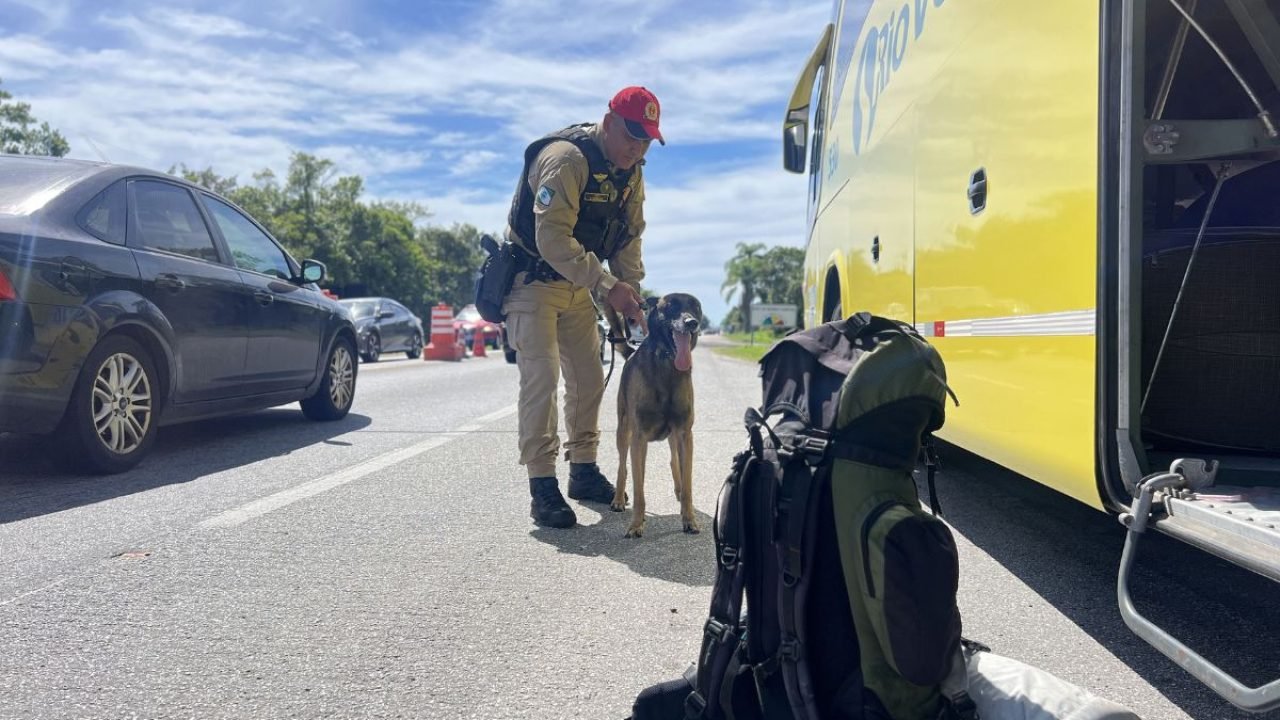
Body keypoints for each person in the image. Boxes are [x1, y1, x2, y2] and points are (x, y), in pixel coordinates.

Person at [502, 86, 663, 528]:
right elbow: (551, 239)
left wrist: (630, 297)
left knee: (590, 379)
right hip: (533, 280)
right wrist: (607, 285)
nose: (637, 148)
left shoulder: (631, 173)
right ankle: (542, 484)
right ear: (609, 123)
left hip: (578, 286)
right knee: (542, 379)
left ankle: (584, 469)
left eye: (647, 140)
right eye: (632, 135)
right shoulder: (565, 159)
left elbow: (629, 239)